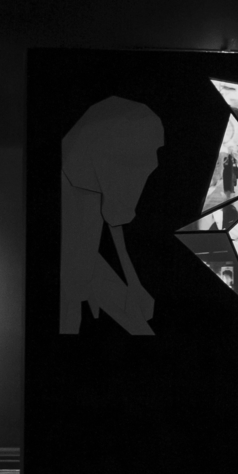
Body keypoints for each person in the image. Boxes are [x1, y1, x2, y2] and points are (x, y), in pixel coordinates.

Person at [60, 97, 163, 336]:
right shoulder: (80, 185)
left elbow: (113, 218)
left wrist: (133, 286)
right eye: (144, 155)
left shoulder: (91, 181)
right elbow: (79, 266)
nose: (154, 162)